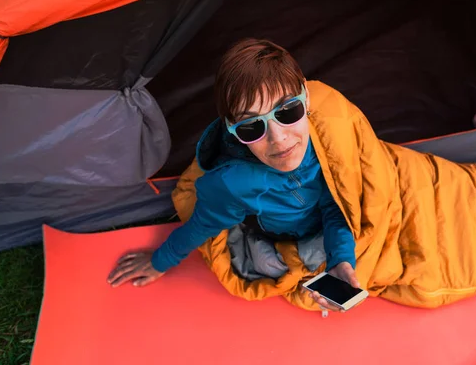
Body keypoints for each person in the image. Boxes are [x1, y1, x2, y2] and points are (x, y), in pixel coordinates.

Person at [107, 38, 359, 312]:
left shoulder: (328, 133)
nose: (279, 138)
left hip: (326, 223)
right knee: (265, 264)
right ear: (232, 130)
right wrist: (160, 261)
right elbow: (202, 225)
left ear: (306, 98)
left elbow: (337, 202)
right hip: (278, 233)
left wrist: (342, 260)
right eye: (252, 127)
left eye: (288, 111)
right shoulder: (234, 183)